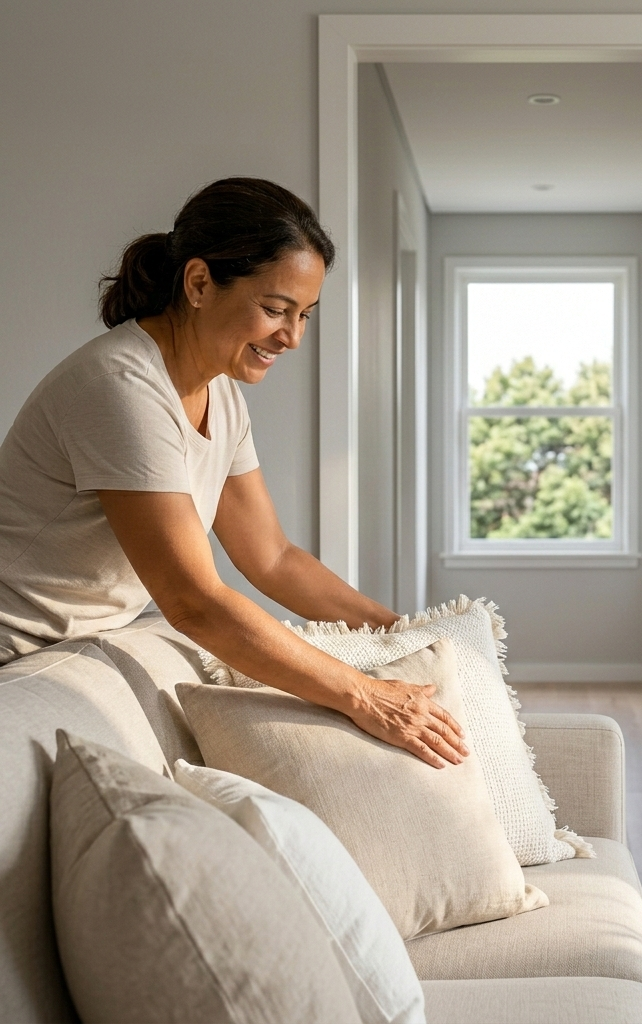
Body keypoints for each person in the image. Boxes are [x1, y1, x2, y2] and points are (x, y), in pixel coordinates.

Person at [0, 177, 467, 769]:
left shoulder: (220, 397)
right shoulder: (121, 387)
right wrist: (364, 694)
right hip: (14, 642)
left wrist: (401, 632)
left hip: (74, 639)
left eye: (304, 315)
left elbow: (272, 557)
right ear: (199, 283)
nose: (292, 337)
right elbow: (193, 600)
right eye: (275, 309)